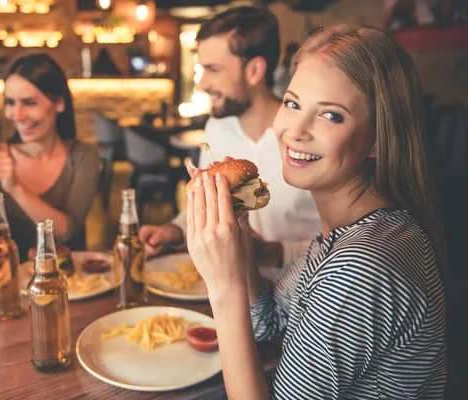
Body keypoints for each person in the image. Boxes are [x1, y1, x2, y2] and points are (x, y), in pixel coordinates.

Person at [186, 25, 447, 399]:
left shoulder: (362, 264)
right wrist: (242, 241)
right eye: (292, 104)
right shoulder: (348, 233)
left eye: (331, 116)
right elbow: (269, 324)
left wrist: (223, 286)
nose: (295, 130)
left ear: (377, 139)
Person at [139, 5, 321, 293]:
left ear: (254, 70)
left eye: (212, 70)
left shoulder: (307, 139)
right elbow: (210, 203)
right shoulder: (217, 128)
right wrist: (175, 230)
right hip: (229, 295)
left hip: (303, 306)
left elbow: (350, 248)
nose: (201, 84)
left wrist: (273, 252)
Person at [0, 54, 100, 261]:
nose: (17, 115)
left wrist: (15, 187)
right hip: (10, 280)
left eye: (29, 103)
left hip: (67, 281)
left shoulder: (83, 156)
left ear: (59, 103)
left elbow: (66, 231)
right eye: (10, 102)